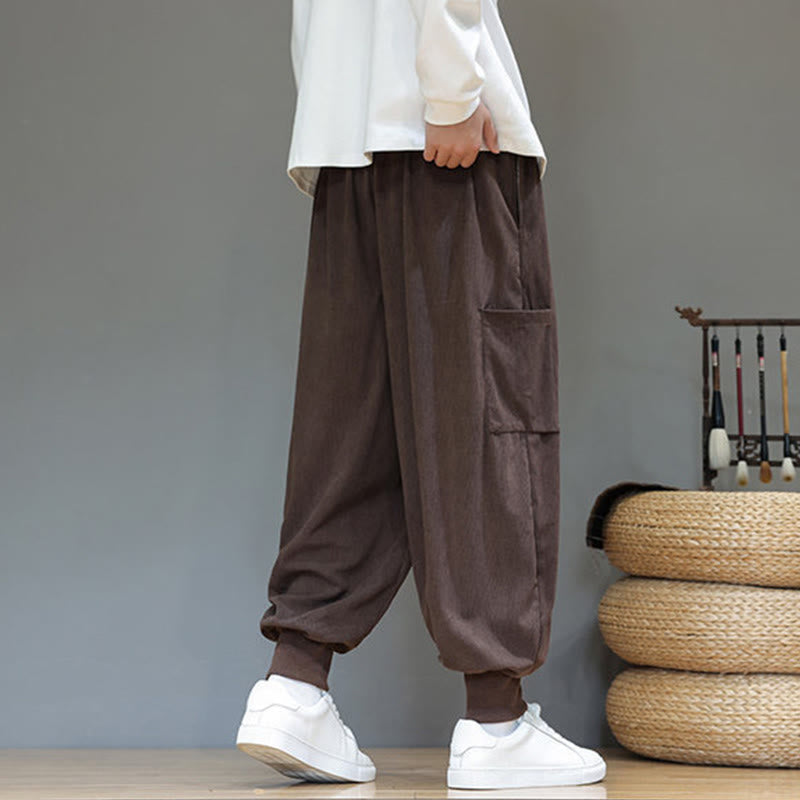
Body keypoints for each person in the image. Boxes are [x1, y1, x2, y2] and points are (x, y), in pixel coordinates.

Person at [236, 0, 607, 790]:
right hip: (444, 136)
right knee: (485, 420)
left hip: (344, 140)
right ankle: (497, 720)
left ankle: (295, 684)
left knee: (351, 428)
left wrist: (337, 113)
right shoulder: (447, 106)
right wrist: (452, 93)